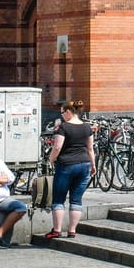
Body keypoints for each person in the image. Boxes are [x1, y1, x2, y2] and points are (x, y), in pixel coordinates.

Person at [44, 100, 93, 240]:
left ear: (68, 112)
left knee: (58, 199)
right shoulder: (87, 127)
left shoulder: (63, 128)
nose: (61, 116)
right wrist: (93, 165)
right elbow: (90, 149)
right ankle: (72, 230)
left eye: (62, 112)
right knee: (76, 200)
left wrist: (51, 160)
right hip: (84, 164)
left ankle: (57, 230)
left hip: (66, 165)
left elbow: (57, 147)